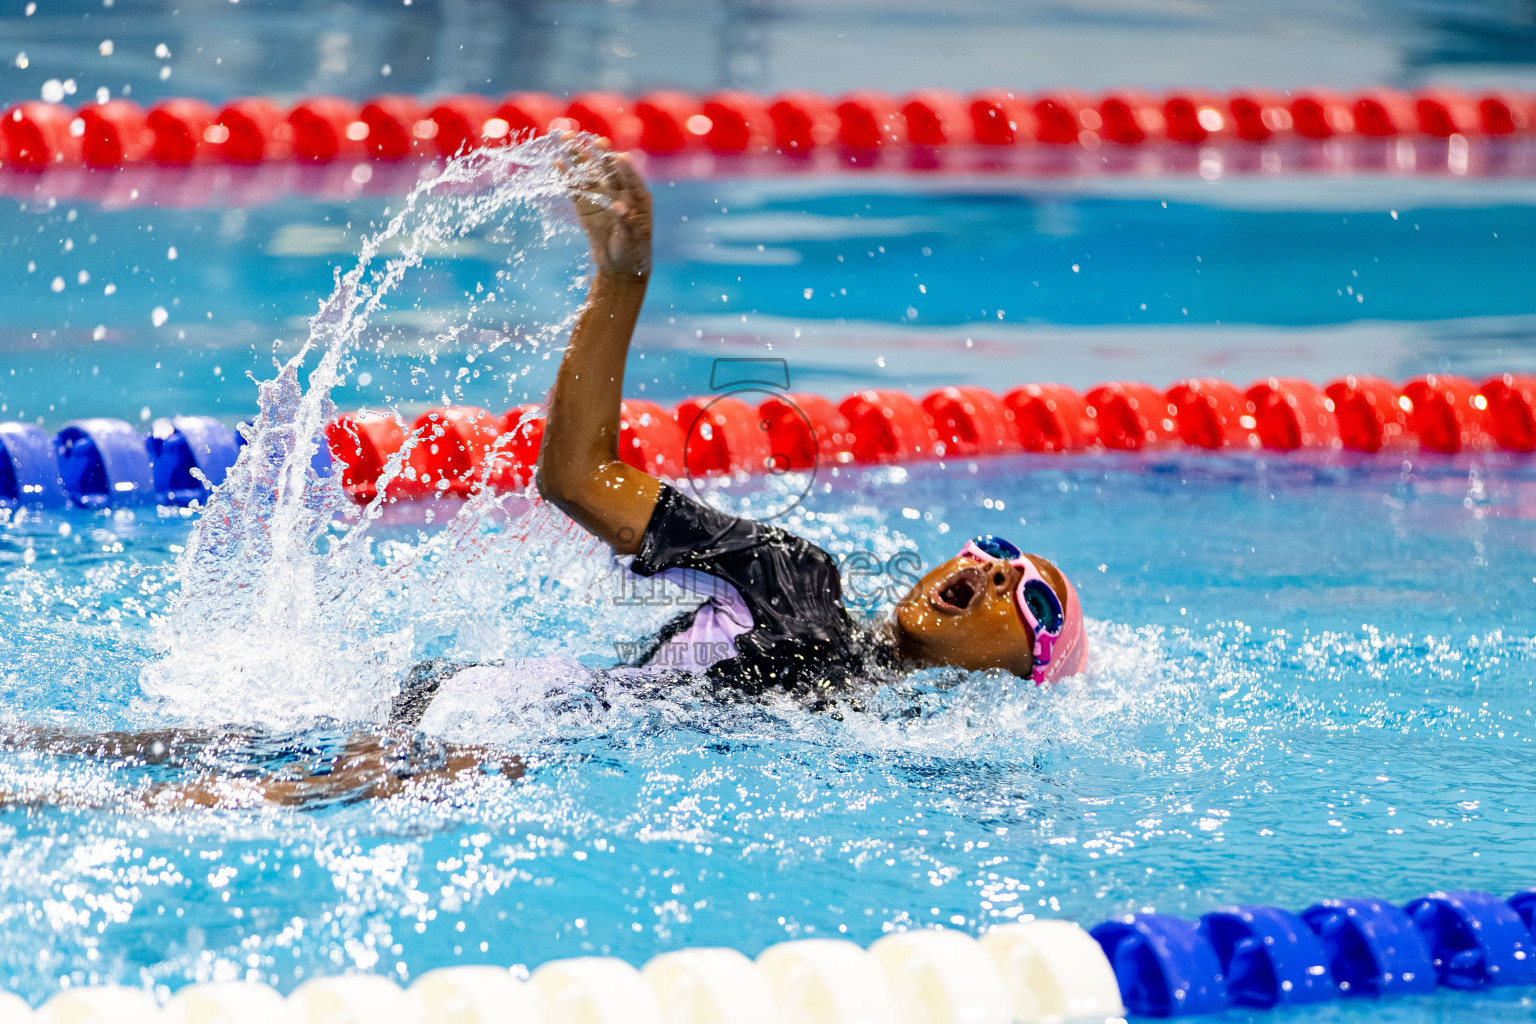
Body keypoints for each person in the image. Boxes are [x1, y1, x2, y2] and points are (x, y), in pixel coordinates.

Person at [475, 137, 1087, 706]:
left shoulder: (897, 737)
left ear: (1017, 678)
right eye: (995, 551)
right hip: (497, 715)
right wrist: (622, 282)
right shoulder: (792, 578)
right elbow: (577, 478)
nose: (998, 568)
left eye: (1036, 600)